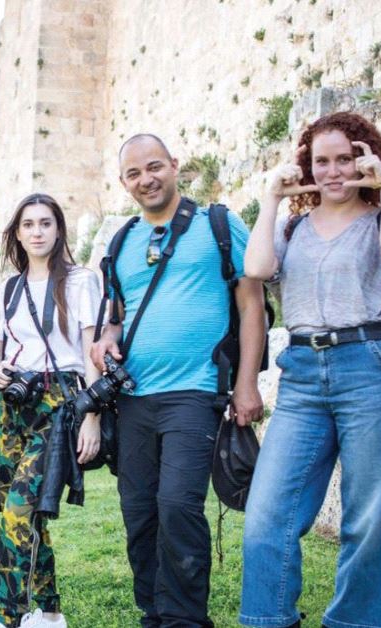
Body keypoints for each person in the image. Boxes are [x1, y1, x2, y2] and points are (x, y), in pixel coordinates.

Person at [91, 134, 265, 627]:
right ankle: (155, 613)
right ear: (123, 183)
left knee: (179, 508)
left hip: (195, 391)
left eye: (154, 167)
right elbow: (116, 318)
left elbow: (251, 305)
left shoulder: (218, 224)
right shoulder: (122, 241)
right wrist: (105, 340)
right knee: (140, 513)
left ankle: (185, 620)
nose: (146, 179)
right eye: (133, 173)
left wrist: (247, 383)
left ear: (174, 165)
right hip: (134, 399)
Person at [240, 112, 381, 628]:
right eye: (320, 161)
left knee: (369, 516)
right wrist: (270, 197)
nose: (333, 171)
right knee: (267, 515)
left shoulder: (377, 219)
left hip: (368, 366)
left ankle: (356, 621)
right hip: (301, 374)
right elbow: (257, 269)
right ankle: (268, 619)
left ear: (363, 158)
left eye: (344, 159)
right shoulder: (292, 227)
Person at [0, 193, 101, 628]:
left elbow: (92, 354)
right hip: (9, 406)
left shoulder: (81, 281)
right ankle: (49, 612)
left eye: (45, 223)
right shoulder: (10, 287)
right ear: (17, 232)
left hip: (59, 404)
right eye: (28, 224)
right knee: (26, 518)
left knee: (18, 512)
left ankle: (8, 617)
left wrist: (92, 414)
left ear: (58, 229)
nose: (37, 232)